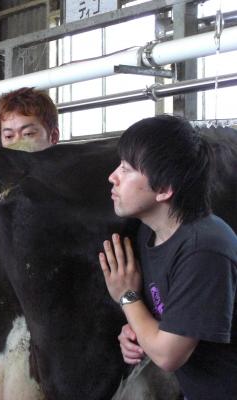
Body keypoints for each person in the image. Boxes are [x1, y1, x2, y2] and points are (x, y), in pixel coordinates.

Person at [98, 115, 237, 400]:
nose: (113, 176)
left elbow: (168, 355)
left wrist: (127, 297)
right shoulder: (150, 236)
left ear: (163, 189)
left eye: (126, 169)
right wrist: (136, 330)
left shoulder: (204, 249)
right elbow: (172, 322)